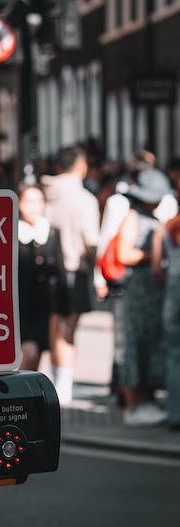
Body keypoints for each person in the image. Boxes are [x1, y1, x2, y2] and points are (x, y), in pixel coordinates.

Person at [40, 146, 100, 404]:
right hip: (73, 268)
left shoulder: (45, 194)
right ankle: (64, 387)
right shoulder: (84, 199)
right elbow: (91, 240)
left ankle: (58, 380)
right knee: (67, 330)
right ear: (80, 166)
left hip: (44, 269)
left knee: (54, 327)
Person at [116, 168, 172, 426]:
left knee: (149, 344)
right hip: (139, 290)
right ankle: (133, 404)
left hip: (151, 292)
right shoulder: (133, 218)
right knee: (135, 344)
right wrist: (152, 257)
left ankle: (145, 400)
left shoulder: (150, 217)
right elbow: (124, 254)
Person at [17, 184, 69, 371]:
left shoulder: (51, 231)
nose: (34, 207)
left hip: (46, 306)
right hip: (20, 306)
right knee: (29, 351)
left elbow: (60, 270)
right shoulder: (11, 232)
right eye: (28, 201)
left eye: (39, 201)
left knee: (39, 352)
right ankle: (18, 394)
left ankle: (28, 395)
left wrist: (64, 308)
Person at [152, 212, 180, 430]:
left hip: (172, 291)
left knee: (173, 355)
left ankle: (174, 413)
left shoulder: (169, 225)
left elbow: (156, 266)